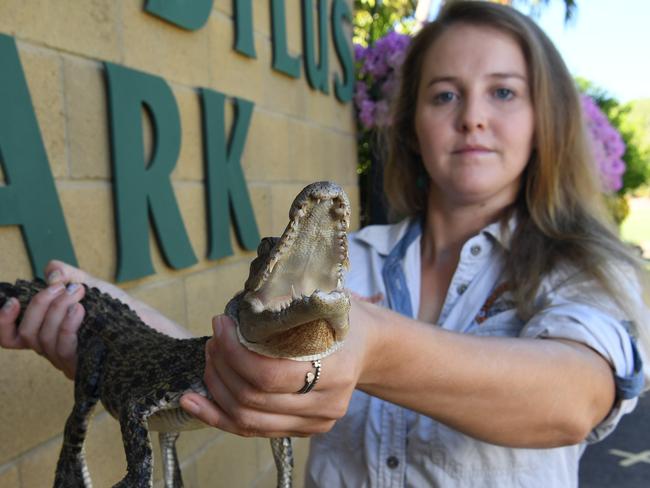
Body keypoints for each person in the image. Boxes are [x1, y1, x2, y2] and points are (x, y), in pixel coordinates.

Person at [1, 2, 648, 486]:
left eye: (504, 92)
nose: (472, 115)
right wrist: (107, 324)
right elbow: (222, 364)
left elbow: (572, 400)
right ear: (412, 125)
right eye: (444, 93)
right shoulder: (350, 258)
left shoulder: (589, 268)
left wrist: (374, 345)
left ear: (546, 119)